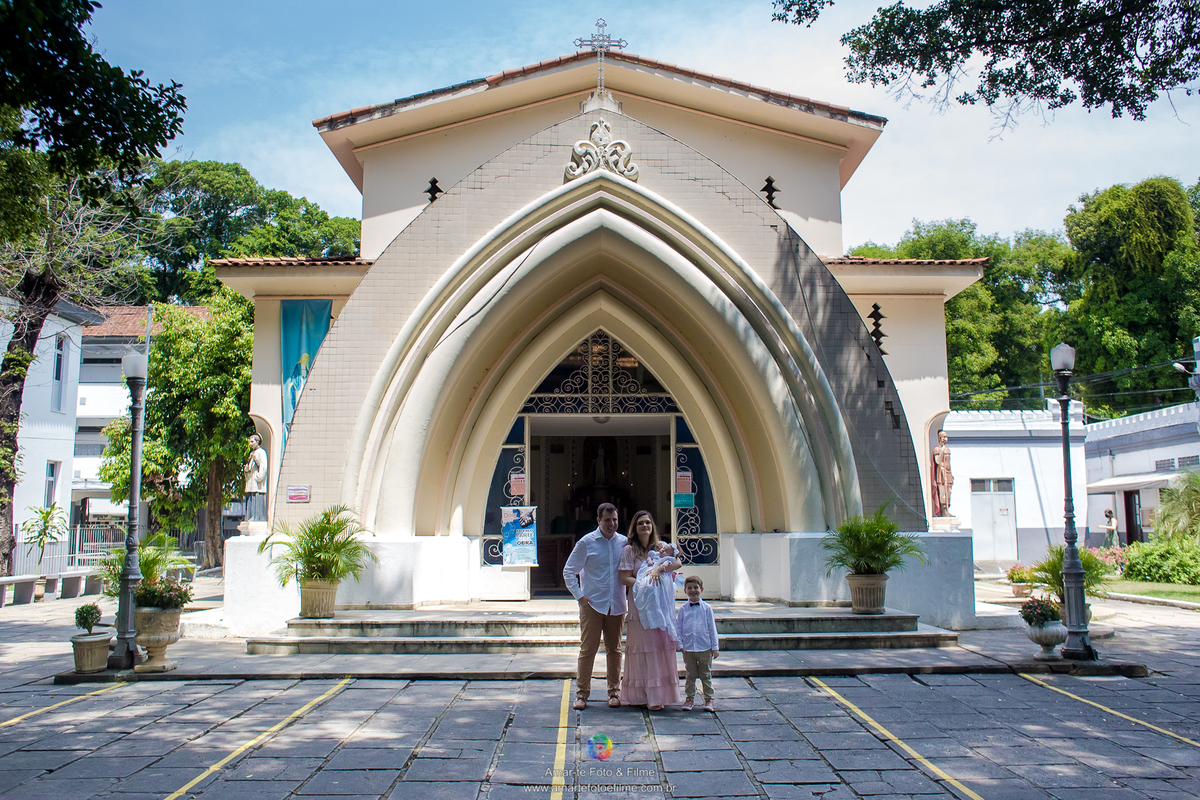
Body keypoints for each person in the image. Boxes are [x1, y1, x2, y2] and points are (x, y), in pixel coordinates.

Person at [563, 503, 627, 711]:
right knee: (588, 649)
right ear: (599, 521)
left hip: (616, 604)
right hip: (592, 604)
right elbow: (569, 571)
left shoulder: (624, 543)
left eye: (615, 520)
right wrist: (579, 596)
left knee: (615, 650)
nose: (612, 524)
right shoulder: (586, 543)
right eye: (607, 520)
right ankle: (582, 694)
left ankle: (614, 692)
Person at [619, 510, 681, 711]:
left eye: (647, 523)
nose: (645, 526)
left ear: (652, 525)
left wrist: (659, 569)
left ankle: (659, 695)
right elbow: (623, 577)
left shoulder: (662, 547)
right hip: (640, 603)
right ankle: (641, 694)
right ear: (635, 529)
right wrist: (644, 584)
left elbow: (678, 562)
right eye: (640, 524)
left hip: (661, 605)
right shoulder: (630, 550)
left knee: (659, 646)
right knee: (643, 648)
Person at [676, 575, 719, 711]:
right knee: (690, 675)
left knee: (706, 675)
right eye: (689, 588)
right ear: (685, 590)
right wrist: (680, 644)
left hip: (705, 647)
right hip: (689, 648)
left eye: (696, 587)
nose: (693, 590)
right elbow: (679, 628)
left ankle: (709, 699)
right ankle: (689, 699)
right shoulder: (683, 609)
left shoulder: (707, 608)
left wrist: (715, 647)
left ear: (702, 589)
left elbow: (712, 628)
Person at [633, 542, 682, 648]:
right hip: (646, 571)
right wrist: (650, 562)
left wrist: (660, 568)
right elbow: (649, 558)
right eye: (663, 548)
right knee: (645, 585)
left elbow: (676, 564)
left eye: (666, 550)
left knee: (654, 590)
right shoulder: (655, 553)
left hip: (658, 577)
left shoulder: (667, 559)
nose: (663, 550)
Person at [244, 434, 269, 522]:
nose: (250, 444)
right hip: (251, 479)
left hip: (256, 479)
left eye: (252, 442)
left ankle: (256, 517)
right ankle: (249, 516)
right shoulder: (252, 453)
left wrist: (259, 476)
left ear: (257, 442)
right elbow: (248, 467)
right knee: (250, 497)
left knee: (256, 496)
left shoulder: (261, 452)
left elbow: (263, 466)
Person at [931, 429, 953, 517]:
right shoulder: (937, 449)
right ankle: (943, 511)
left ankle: (947, 508)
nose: (944, 439)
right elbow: (938, 461)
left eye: (946, 437)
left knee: (949, 491)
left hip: (948, 472)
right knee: (943, 492)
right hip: (941, 472)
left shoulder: (947, 449)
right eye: (942, 437)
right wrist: (941, 452)